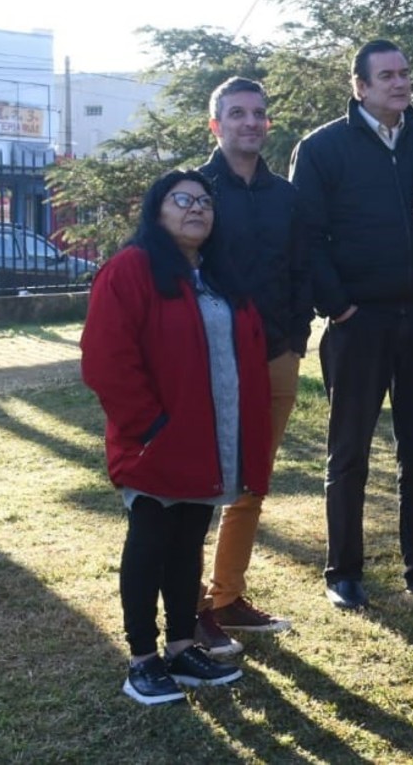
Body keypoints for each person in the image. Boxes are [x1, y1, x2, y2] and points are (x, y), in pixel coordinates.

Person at [290, 39, 413, 609]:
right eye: (386, 76)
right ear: (360, 86)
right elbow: (305, 237)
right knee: (348, 451)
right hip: (358, 322)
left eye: (404, 73)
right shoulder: (323, 148)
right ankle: (344, 573)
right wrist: (339, 306)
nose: (399, 83)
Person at [81, 170, 273, 705]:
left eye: (205, 202)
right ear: (157, 210)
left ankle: (182, 646)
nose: (196, 209)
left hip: (212, 440)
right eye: (181, 199)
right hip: (156, 441)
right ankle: (142, 660)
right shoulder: (131, 269)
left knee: (188, 542)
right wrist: (150, 426)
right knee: (150, 544)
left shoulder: (217, 275)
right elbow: (105, 358)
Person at [190, 78, 312, 655]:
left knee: (251, 484)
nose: (250, 122)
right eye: (237, 113)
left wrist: (297, 339)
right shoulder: (195, 192)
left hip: (278, 355)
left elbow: (301, 270)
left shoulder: (287, 196)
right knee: (199, 486)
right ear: (216, 125)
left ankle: (228, 597)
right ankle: (190, 607)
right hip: (214, 361)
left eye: (258, 113)